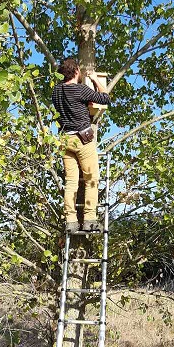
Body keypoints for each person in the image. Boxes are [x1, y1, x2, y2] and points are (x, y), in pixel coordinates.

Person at [51, 58, 110, 233]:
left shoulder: (56, 91)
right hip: (82, 139)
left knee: (71, 182)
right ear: (76, 71)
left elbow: (70, 106)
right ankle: (89, 220)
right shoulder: (80, 89)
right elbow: (105, 98)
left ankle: (71, 221)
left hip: (64, 140)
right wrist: (95, 79)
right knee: (91, 179)